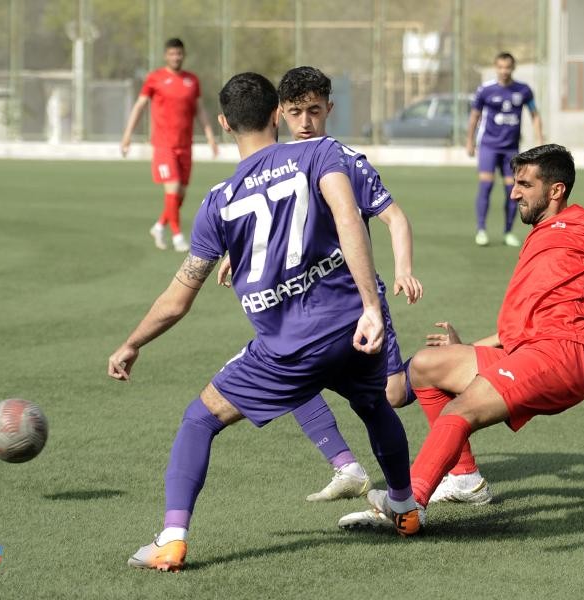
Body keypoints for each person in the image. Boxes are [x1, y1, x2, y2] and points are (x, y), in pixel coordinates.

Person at [108, 72, 421, 572]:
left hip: (288, 348)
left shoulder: (218, 200)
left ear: (223, 123)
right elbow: (346, 218)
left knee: (200, 419)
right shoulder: (319, 153)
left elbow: (177, 299)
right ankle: (404, 509)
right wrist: (370, 306)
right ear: (278, 113)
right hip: (350, 328)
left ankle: (171, 539)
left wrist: (132, 343)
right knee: (373, 404)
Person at [337, 144, 584, 531]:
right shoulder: (537, 236)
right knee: (427, 366)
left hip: (563, 355)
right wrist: (470, 347)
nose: (514, 193)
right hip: (527, 351)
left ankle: (408, 507)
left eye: (525, 184)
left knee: (461, 411)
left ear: (556, 190)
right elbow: (520, 327)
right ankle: (465, 480)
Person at [214, 66, 434, 502]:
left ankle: (441, 374)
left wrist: (403, 269)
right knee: (289, 368)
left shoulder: (343, 160)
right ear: (279, 113)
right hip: (299, 302)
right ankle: (346, 465)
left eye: (314, 111)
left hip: (352, 302)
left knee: (391, 394)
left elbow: (395, 218)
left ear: (329, 109)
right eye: (296, 112)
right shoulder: (276, 164)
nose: (305, 122)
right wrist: (237, 253)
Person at [120, 37, 219, 252]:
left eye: (179, 53)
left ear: (183, 55)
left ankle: (159, 226)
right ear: (166, 56)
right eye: (172, 54)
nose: (176, 57)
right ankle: (177, 236)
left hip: (185, 145)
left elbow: (200, 110)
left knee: (179, 195)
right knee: (172, 188)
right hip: (164, 145)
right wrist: (127, 135)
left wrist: (210, 136)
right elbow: (139, 106)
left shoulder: (192, 81)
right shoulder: (154, 78)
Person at [466, 52, 543, 247]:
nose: (504, 71)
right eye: (500, 67)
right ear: (495, 67)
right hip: (489, 146)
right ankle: (481, 230)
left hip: (511, 149)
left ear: (513, 68)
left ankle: (508, 232)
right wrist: (469, 141)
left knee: (513, 190)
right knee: (486, 185)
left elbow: (534, 114)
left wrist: (539, 140)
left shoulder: (523, 90)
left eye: (507, 67)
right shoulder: (486, 90)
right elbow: (474, 116)